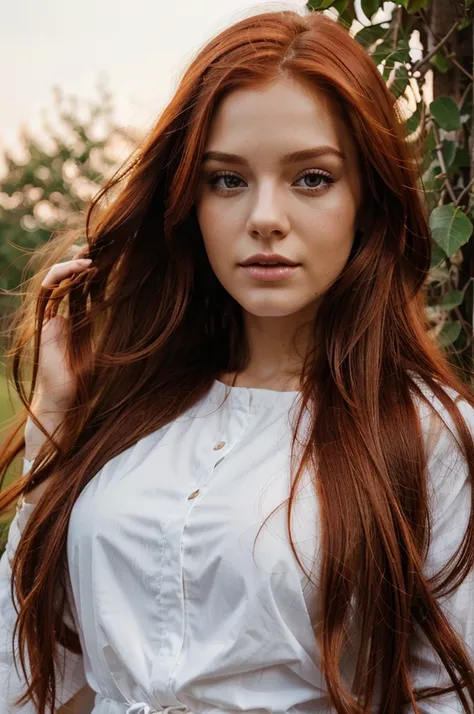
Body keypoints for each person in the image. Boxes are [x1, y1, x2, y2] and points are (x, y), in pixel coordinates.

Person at [1, 6, 473, 714]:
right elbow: (35, 677)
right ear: (188, 199)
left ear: (369, 202)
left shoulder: (430, 435)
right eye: (227, 180)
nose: (264, 217)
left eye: (311, 178)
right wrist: (56, 433)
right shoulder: (130, 410)